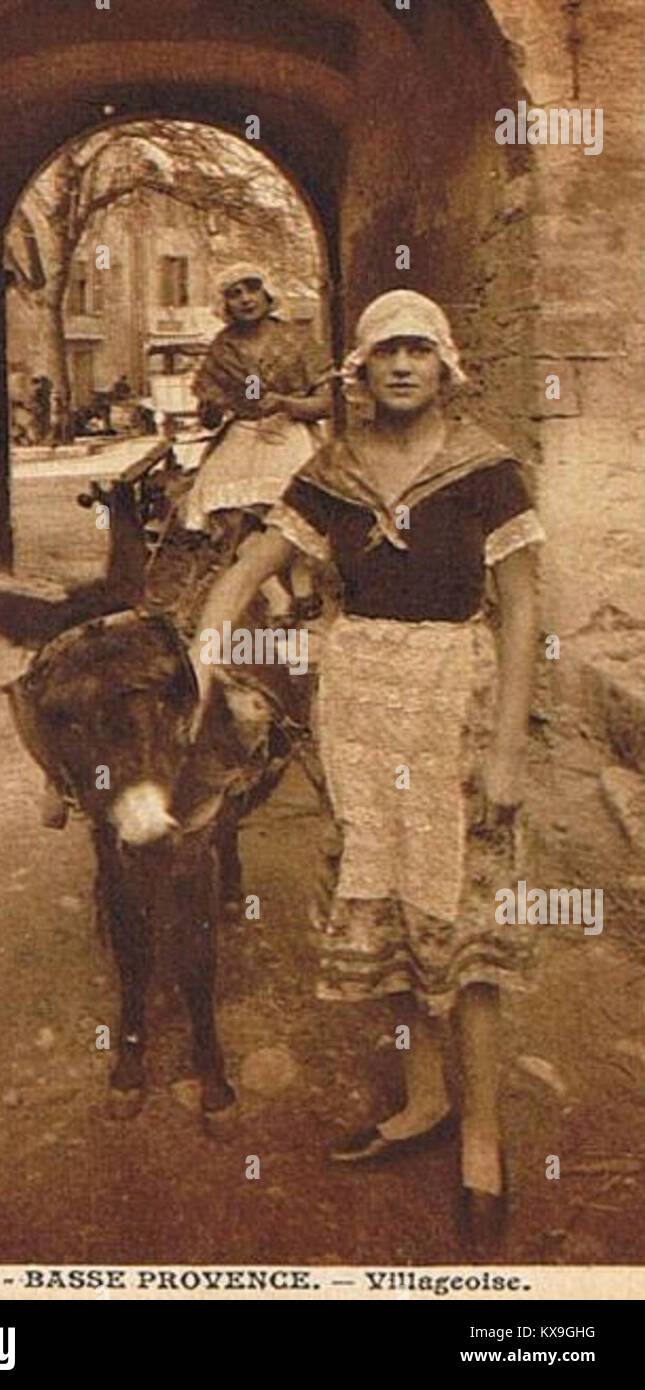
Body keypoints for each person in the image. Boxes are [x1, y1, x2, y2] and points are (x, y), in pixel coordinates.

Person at [189, 289, 546, 1250]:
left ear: (443, 367)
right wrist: (206, 652)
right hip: (359, 717)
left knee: (462, 926)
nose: (399, 366)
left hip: (456, 711)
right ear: (359, 369)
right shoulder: (331, 472)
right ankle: (423, 1100)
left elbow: (520, 612)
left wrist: (508, 745)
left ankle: (481, 1138)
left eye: (416, 352)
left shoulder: (487, 471)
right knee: (384, 909)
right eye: (383, 352)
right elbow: (246, 569)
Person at [184, 263, 333, 620]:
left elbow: (327, 403)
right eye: (234, 294)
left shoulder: (297, 339)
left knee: (292, 505)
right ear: (225, 305)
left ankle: (301, 580)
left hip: (290, 428)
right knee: (219, 502)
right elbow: (210, 415)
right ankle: (275, 594)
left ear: (267, 293)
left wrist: (286, 403)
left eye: (251, 289)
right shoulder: (222, 348)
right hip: (245, 430)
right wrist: (209, 404)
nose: (245, 299)